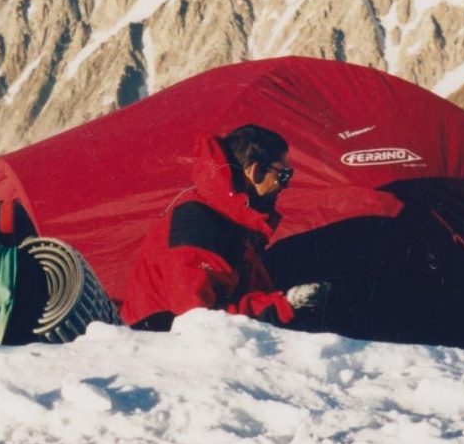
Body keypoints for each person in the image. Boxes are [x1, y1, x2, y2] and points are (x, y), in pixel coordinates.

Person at [121, 124, 326, 330]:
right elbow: (198, 321)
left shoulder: (228, 216)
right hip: (166, 341)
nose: (286, 185)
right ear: (255, 171)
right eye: (283, 175)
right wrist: (281, 307)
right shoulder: (197, 231)